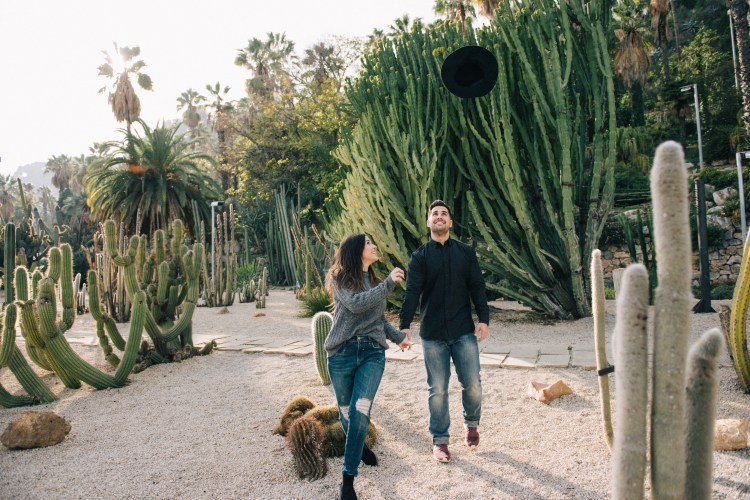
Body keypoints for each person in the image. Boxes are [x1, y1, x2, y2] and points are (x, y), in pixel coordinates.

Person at [399, 200, 489, 463]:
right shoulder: (419, 257)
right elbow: (412, 293)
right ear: (428, 223)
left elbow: (477, 287)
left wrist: (483, 319)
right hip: (433, 334)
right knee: (437, 388)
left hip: (463, 331)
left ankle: (471, 424)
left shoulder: (466, 253)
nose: (439, 217)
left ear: (450, 222)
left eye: (444, 214)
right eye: (434, 214)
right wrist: (404, 326)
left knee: (472, 383)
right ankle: (440, 441)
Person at [325, 233, 411, 500]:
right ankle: (358, 445)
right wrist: (387, 285)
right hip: (342, 352)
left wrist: (398, 339)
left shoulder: (374, 281)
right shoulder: (340, 279)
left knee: (360, 409)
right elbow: (355, 304)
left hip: (372, 353)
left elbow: (378, 319)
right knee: (346, 411)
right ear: (356, 250)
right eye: (369, 243)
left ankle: (347, 479)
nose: (374, 246)